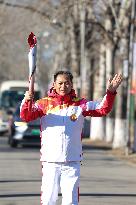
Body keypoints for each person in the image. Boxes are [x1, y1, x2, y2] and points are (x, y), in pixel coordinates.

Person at [20, 70, 122, 205]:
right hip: (51, 162)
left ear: (71, 84)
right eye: (60, 83)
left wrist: (110, 93)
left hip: (72, 162)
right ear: (54, 84)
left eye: (67, 83)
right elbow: (26, 116)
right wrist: (27, 100)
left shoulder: (80, 104)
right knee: (48, 200)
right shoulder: (43, 104)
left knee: (70, 202)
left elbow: (103, 109)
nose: (63, 86)